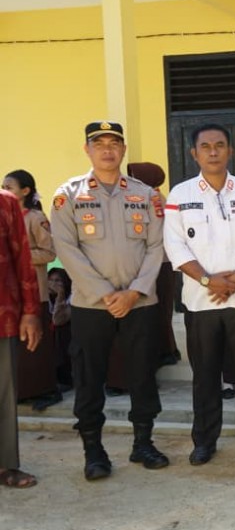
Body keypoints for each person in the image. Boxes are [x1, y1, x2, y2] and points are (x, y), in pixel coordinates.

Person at [50, 121, 169, 480]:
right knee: (89, 377)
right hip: (91, 305)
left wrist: (134, 292)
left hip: (139, 303)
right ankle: (94, 452)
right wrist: (105, 292)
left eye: (114, 143)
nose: (107, 149)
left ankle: (143, 443)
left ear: (123, 149)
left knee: (142, 374)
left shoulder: (145, 195)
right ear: (87, 149)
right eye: (99, 143)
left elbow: (157, 246)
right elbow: (66, 249)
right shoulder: (68, 195)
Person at [163, 124, 235, 464]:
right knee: (205, 376)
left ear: (230, 151)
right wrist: (210, 281)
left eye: (220, 145)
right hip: (201, 300)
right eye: (205, 146)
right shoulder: (179, 195)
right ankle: (204, 441)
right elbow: (174, 245)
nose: (213, 151)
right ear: (194, 154)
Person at [3, 170, 57, 407]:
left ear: (25, 191)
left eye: (9, 187)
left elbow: (49, 252)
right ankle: (21, 392)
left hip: (35, 291)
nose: (5, 191)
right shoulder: (5, 216)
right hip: (9, 295)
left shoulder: (35, 218)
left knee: (36, 346)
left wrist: (20, 256)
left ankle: (43, 389)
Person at [0, 189, 43, 488]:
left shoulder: (6, 202)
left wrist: (30, 311)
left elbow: (22, 258)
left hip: (3, 314)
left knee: (3, 394)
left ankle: (5, 465)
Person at [126, 162, 181, 369]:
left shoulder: (155, 198)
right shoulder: (146, 196)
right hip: (153, 261)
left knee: (160, 309)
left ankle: (166, 350)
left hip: (161, 261)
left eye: (135, 176)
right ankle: (165, 349)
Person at [47, 268, 74, 390]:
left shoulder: (72, 297)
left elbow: (58, 320)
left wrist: (60, 295)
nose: (53, 284)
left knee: (61, 332)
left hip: (68, 332)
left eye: (58, 281)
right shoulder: (45, 297)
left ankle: (65, 379)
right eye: (50, 280)